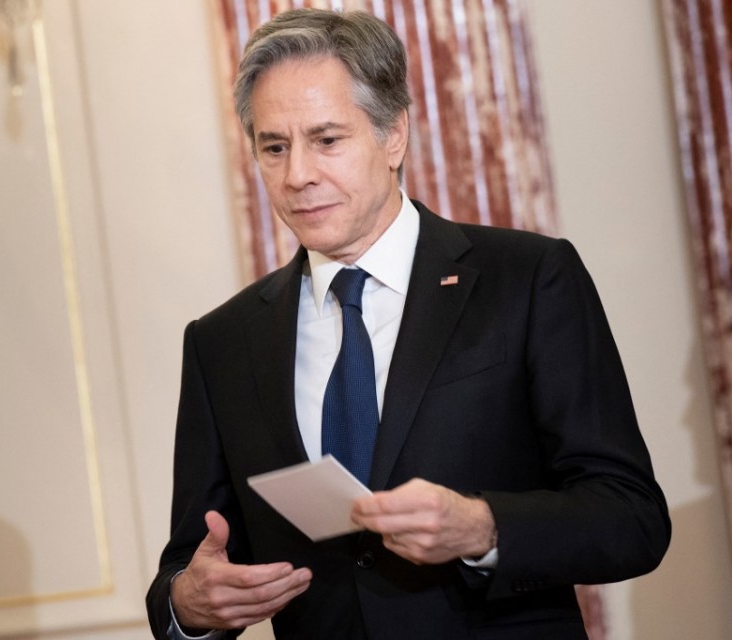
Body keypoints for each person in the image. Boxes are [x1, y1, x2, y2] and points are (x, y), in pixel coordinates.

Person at [147, 8, 670, 640]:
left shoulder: (528, 279)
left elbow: (631, 517)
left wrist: (483, 528)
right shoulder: (221, 342)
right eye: (274, 147)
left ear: (394, 135)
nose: (297, 175)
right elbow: (190, 561)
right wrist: (187, 606)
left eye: (327, 140)